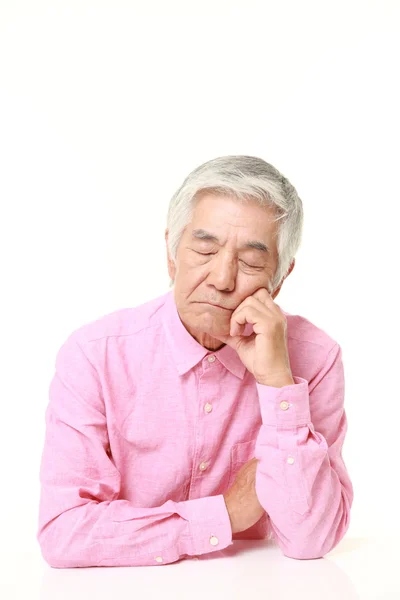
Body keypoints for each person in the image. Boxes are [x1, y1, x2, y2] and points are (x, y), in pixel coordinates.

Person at [37, 155, 354, 568]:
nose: (222, 279)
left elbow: (312, 539)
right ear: (172, 254)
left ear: (281, 277)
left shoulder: (316, 359)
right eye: (205, 249)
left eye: (251, 262)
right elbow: (63, 533)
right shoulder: (95, 355)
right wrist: (226, 513)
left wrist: (279, 384)